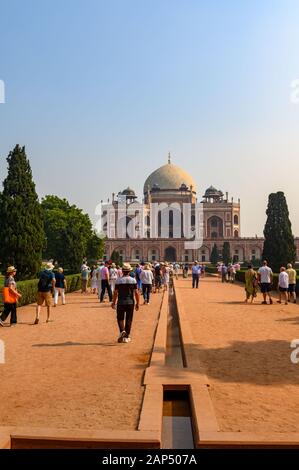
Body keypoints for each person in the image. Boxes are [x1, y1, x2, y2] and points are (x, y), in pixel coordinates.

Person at [112, 263, 140, 343]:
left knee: (120, 318)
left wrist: (113, 302)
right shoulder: (133, 280)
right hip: (130, 302)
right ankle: (126, 336)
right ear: (129, 271)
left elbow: (115, 293)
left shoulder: (118, 280)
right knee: (129, 319)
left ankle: (122, 331)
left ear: (122, 271)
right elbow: (136, 292)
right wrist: (138, 303)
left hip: (121, 302)